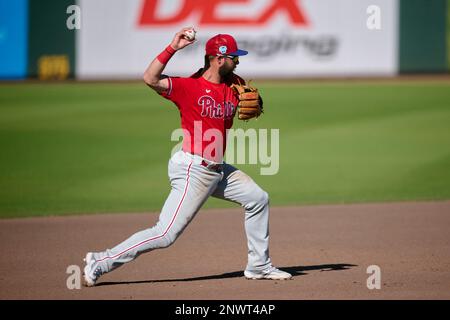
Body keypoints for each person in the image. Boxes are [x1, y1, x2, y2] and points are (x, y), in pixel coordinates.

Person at [82, 28, 292, 287]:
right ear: (217, 59)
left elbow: (253, 102)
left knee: (258, 199)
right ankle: (100, 261)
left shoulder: (235, 83)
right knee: (165, 233)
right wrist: (173, 46)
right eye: (233, 57)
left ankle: (259, 266)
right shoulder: (188, 87)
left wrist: (258, 100)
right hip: (193, 169)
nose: (238, 61)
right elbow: (150, 78)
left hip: (217, 170)